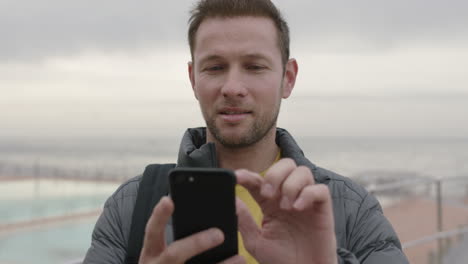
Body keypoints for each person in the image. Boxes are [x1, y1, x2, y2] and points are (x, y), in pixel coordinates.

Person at [84, 0, 409, 263]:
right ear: (193, 79)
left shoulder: (349, 208)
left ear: (288, 78)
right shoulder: (132, 207)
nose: (233, 87)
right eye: (215, 67)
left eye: (254, 66)